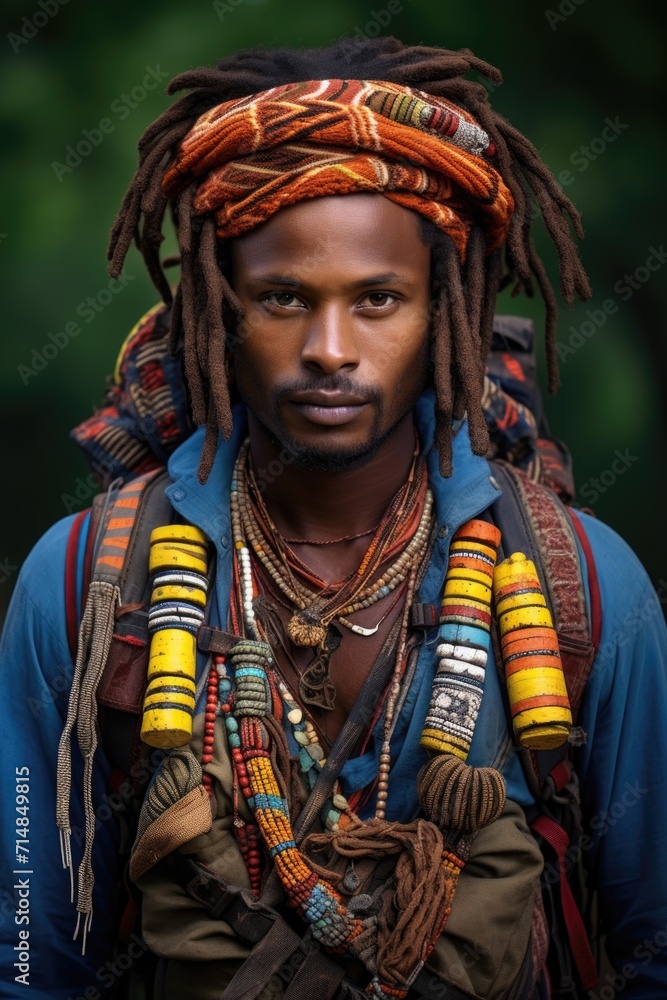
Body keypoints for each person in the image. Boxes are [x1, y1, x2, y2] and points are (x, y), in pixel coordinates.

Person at [1, 36, 666, 1000]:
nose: (327, 349)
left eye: (378, 300)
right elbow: (29, 956)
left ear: (445, 311)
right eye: (281, 298)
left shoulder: (585, 582)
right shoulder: (83, 585)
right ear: (217, 311)